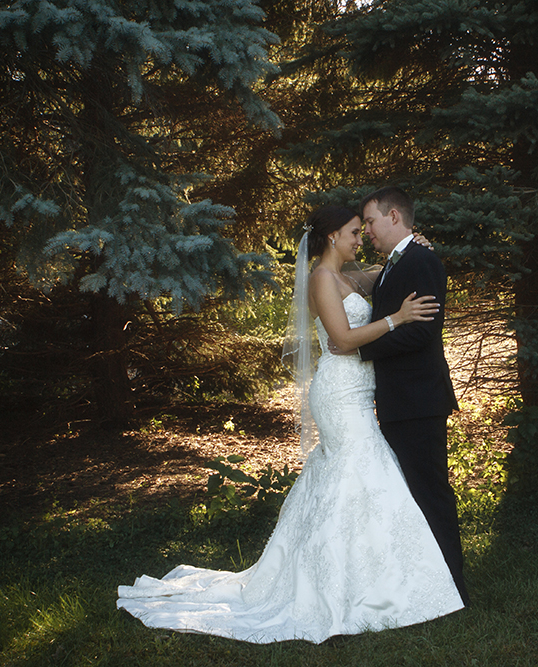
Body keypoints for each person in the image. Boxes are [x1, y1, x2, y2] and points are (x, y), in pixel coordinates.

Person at [116, 205, 465, 644]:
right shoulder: (321, 278)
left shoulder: (349, 276)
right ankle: (345, 587)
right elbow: (340, 341)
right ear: (332, 237)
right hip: (340, 391)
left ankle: (371, 579)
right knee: (356, 472)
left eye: (364, 230)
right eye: (354, 232)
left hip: (359, 390)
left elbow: (388, 270)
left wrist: (415, 246)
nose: (361, 238)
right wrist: (397, 318)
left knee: (357, 476)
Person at [353, 186, 468, 605]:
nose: (367, 231)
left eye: (370, 221)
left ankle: (454, 589)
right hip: (402, 401)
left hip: (419, 399)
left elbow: (422, 331)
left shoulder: (422, 259)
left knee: (431, 494)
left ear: (395, 216)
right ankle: (425, 584)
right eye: (363, 225)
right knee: (412, 495)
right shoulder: (392, 264)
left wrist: (359, 346)